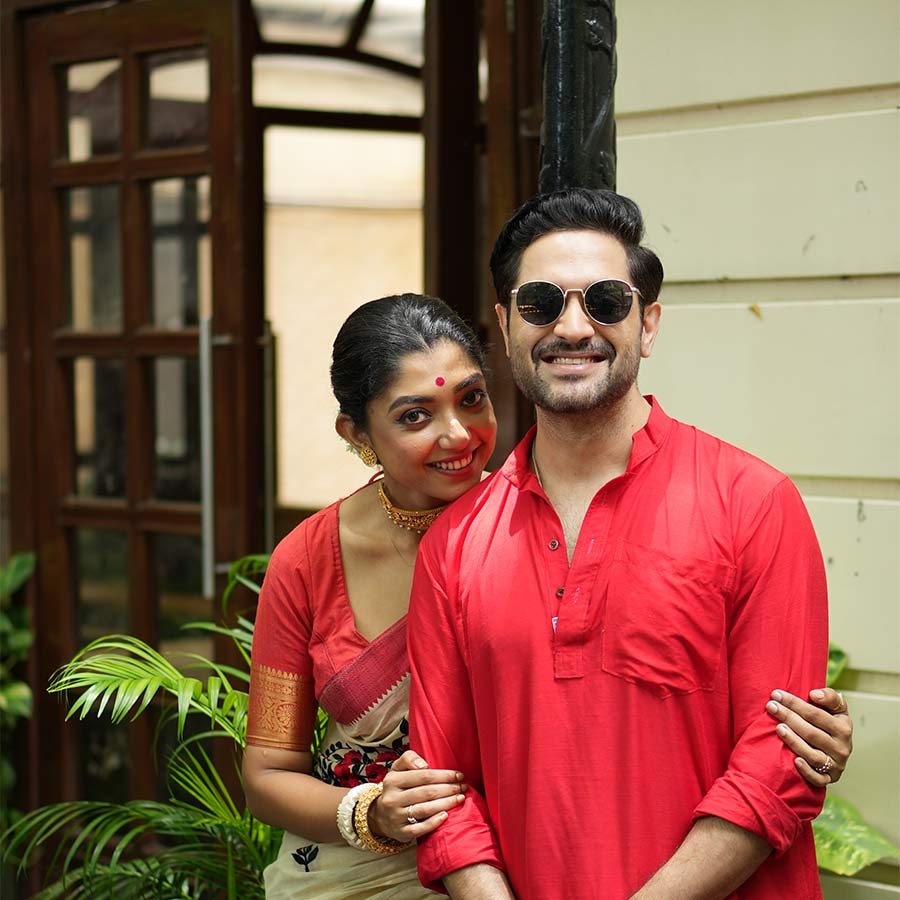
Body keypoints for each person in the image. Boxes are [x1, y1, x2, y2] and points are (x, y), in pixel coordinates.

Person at [243, 292, 851, 899]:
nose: (458, 434)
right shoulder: (304, 563)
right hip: (370, 871)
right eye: (415, 416)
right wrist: (371, 814)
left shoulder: (552, 513)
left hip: (521, 862)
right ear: (357, 432)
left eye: (471, 399)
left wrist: (799, 742)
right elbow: (268, 773)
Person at [406, 190, 845, 899]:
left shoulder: (754, 503)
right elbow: (438, 790)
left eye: (607, 301)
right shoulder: (455, 543)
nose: (573, 326)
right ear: (505, 325)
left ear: (648, 325)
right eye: (541, 303)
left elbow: (778, 768)